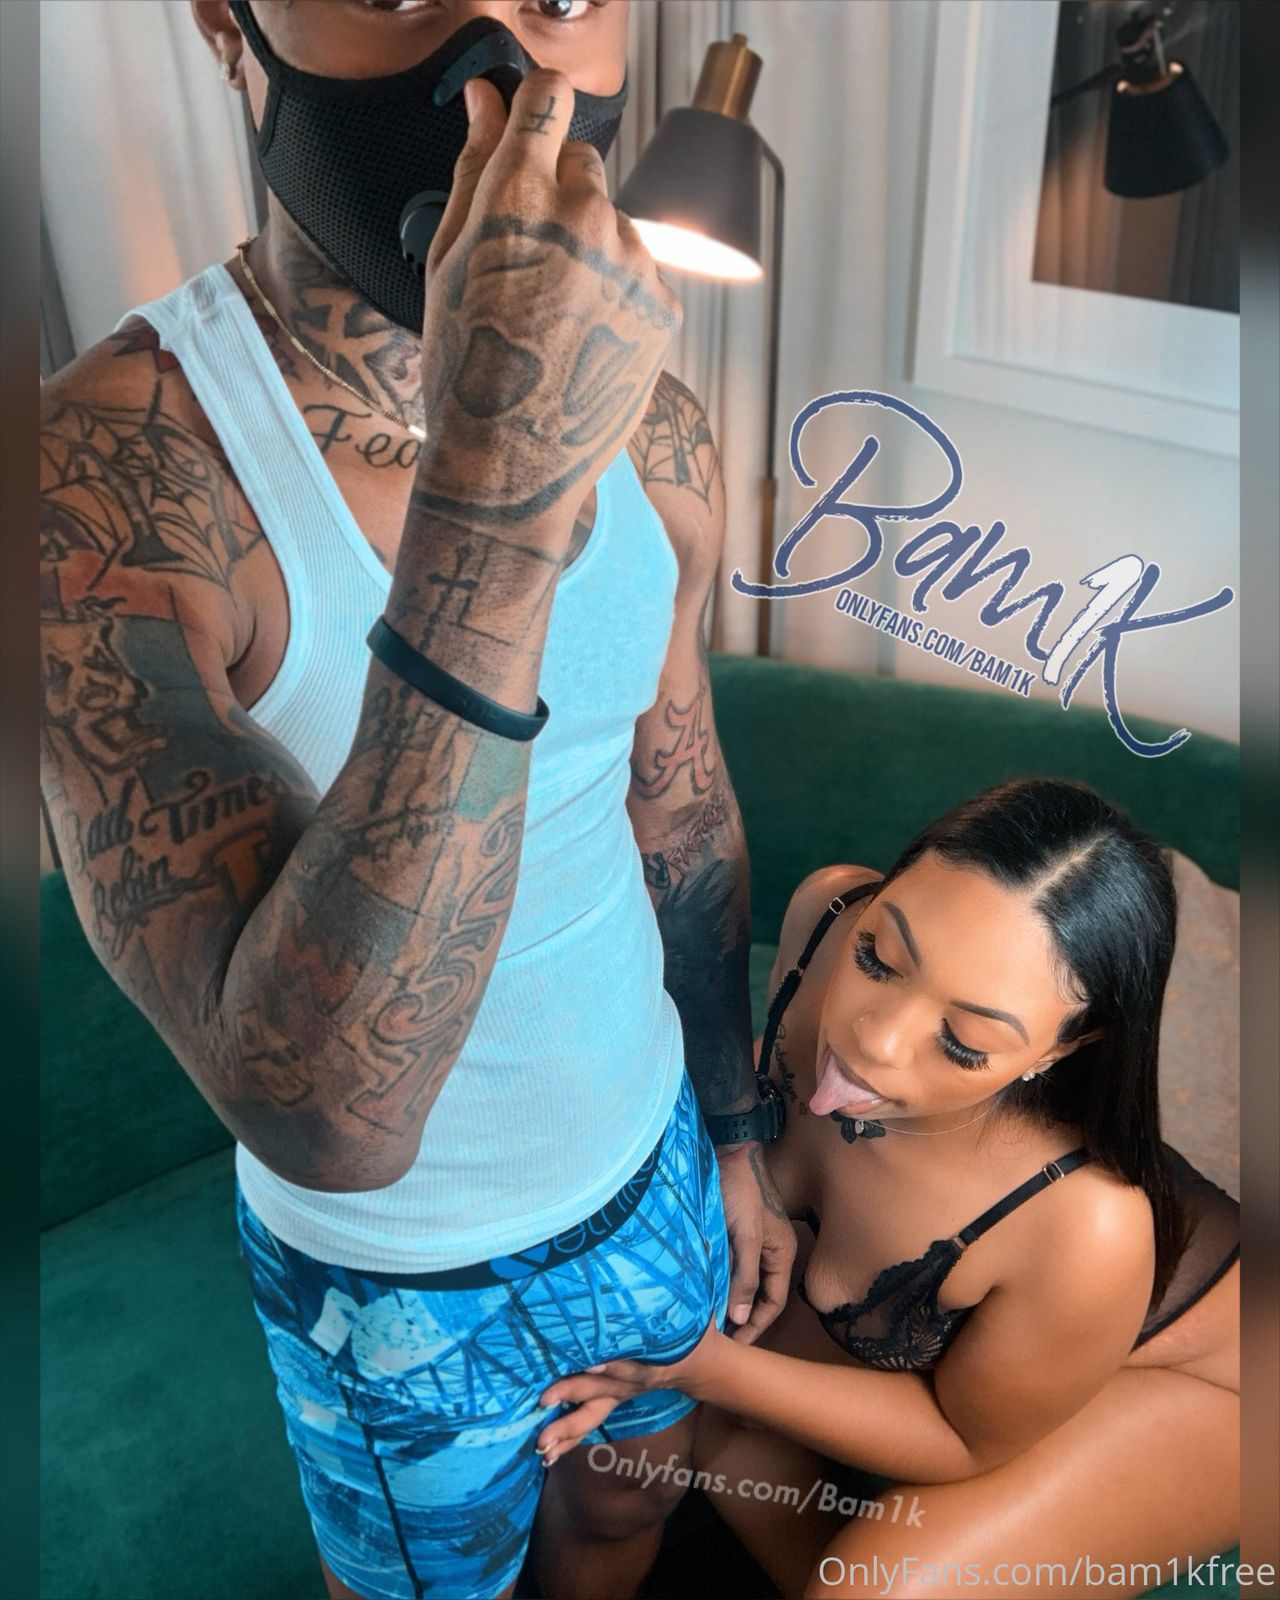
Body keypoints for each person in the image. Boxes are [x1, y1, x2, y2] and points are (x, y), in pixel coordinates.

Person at [38, 3, 797, 1598]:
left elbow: (678, 808)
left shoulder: (652, 415)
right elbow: (329, 1116)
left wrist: (735, 1131)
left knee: (628, 1520)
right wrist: (499, 480)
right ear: (226, 25)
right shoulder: (102, 480)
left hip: (652, 1161)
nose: (498, 57)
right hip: (396, 1280)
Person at [539, 779, 1241, 1599]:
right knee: (655, 1461)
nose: (872, 1041)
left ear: (1064, 1047)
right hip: (1023, 1345)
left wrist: (704, 1369)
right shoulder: (828, 912)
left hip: (1219, 1383)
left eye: (964, 1040)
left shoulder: (1085, 1221)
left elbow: (964, 1438)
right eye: (879, 958)